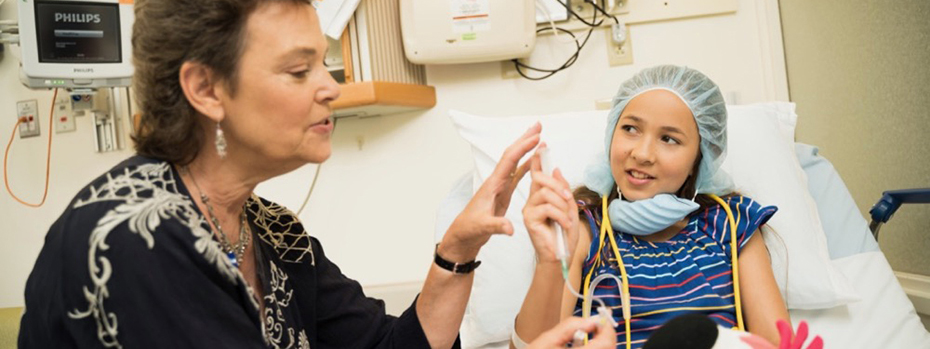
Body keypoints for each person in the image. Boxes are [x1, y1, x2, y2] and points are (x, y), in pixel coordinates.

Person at [16, 0, 608, 348]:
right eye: (300, 71)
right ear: (205, 88)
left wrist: (460, 246)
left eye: (323, 64)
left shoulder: (272, 233)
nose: (331, 86)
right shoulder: (134, 239)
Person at [513, 65, 789, 348]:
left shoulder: (730, 222)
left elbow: (778, 342)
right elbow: (535, 346)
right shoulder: (585, 225)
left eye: (669, 139)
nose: (642, 154)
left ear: (700, 156)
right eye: (630, 128)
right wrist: (551, 261)